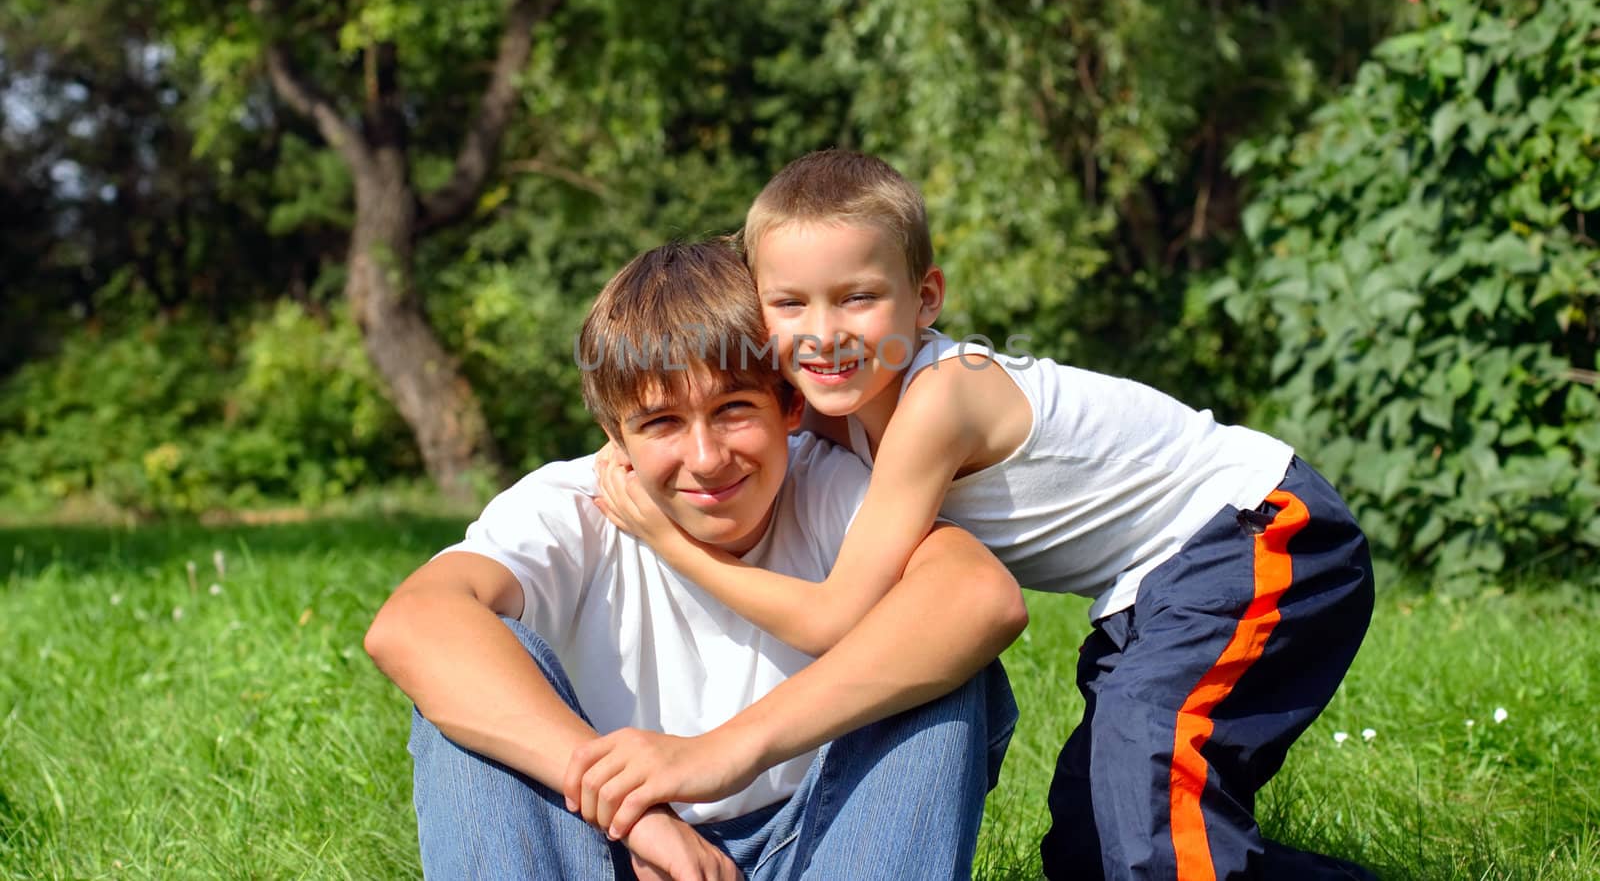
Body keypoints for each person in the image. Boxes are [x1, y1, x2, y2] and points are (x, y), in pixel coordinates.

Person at [584, 152, 1378, 880]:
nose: (823, 333)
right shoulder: (843, 401)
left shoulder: (940, 397)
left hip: (1255, 531)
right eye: (789, 303)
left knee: (1150, 776)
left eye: (857, 297)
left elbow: (836, 618)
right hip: (1156, 584)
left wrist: (668, 539)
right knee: (1094, 843)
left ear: (924, 297)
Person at [363, 239, 1026, 881]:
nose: (706, 457)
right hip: (611, 848)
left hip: (820, 841)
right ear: (614, 435)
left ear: (790, 405)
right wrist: (640, 816)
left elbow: (978, 596)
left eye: (734, 409)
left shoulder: (831, 487)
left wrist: (724, 752)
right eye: (661, 423)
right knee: (464, 687)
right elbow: (414, 622)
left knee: (937, 656)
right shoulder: (570, 507)